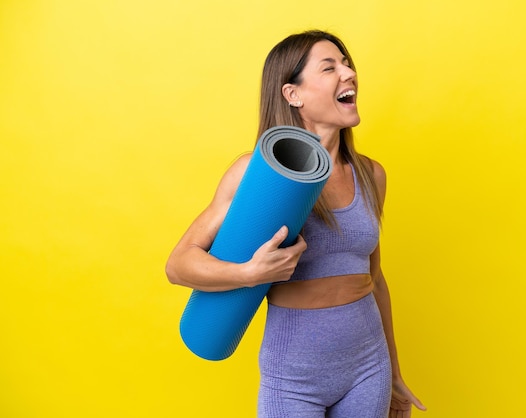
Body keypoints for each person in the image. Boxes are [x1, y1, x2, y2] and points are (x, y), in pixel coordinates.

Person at [165, 29, 426, 417]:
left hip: (369, 364)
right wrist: (249, 273)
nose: (349, 73)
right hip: (293, 376)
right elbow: (178, 265)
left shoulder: (372, 174)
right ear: (293, 94)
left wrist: (394, 373)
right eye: (329, 67)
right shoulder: (254, 176)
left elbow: (375, 276)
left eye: (347, 63)